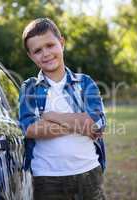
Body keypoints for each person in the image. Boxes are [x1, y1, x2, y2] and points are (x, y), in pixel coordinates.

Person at [19, 18, 107, 200]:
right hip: (46, 177)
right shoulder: (29, 88)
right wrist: (79, 124)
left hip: (88, 172)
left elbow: (96, 124)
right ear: (31, 56)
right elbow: (29, 128)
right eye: (37, 50)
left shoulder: (85, 83)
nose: (46, 54)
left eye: (50, 45)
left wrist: (51, 116)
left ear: (62, 43)